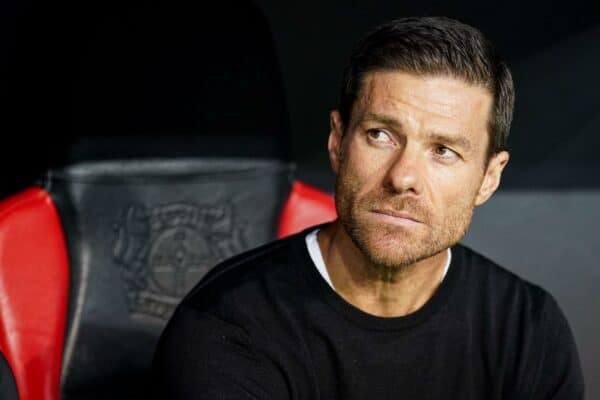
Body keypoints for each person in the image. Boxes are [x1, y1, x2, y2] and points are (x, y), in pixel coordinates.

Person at [153, 16, 584, 399]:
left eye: (444, 150)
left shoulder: (527, 328)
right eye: (381, 135)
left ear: (489, 177)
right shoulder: (228, 325)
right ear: (338, 142)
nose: (403, 177)